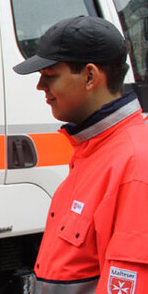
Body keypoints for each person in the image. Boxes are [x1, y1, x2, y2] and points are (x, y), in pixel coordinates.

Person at [13, 15, 148, 293]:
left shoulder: (133, 165)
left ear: (90, 76)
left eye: (50, 75)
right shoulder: (94, 150)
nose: (41, 87)